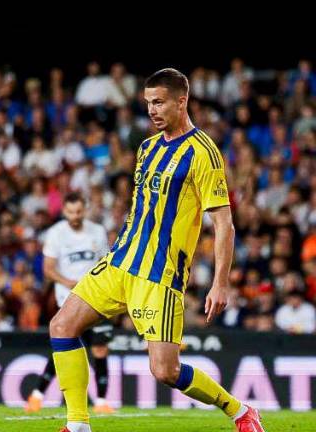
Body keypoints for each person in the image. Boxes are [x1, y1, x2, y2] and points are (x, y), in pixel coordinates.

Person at [46, 69, 265, 432]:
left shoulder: (203, 154)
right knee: (61, 325)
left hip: (159, 274)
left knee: (165, 371)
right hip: (119, 263)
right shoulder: (146, 148)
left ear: (183, 101)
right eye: (148, 103)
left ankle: (240, 411)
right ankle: (78, 423)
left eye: (160, 102)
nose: (152, 110)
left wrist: (220, 283)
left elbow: (223, 224)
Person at [25, 192, 114, 414]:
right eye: (71, 212)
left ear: (85, 209)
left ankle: (101, 401)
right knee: (66, 345)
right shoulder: (56, 234)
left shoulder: (98, 231)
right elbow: (48, 269)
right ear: (64, 211)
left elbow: (106, 262)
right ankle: (37, 396)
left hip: (97, 297)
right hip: (69, 298)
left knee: (100, 347)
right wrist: (69, 283)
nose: (75, 216)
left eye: (79, 211)